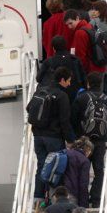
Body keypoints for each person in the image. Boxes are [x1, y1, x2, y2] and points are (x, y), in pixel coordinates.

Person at [72, 73, 107, 207]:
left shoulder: (81, 98)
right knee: (99, 170)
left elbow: (73, 118)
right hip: (100, 141)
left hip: (84, 141)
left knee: (82, 170)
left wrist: (79, 133)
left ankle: (83, 201)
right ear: (101, 84)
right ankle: (96, 199)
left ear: (88, 84)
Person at [31, 67, 75, 202]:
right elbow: (64, 121)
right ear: (62, 80)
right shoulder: (62, 96)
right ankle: (54, 198)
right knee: (56, 167)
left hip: (38, 136)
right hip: (54, 137)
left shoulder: (40, 91)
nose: (69, 84)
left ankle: (37, 198)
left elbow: (29, 108)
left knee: (41, 165)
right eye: (68, 81)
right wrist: (71, 140)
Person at [36, 36, 86, 101]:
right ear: (66, 46)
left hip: (55, 97)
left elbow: (38, 78)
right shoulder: (75, 60)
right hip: (74, 96)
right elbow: (83, 78)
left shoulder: (48, 62)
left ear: (53, 48)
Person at [64, 9, 106, 76]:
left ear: (77, 18)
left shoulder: (80, 33)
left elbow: (80, 57)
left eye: (71, 23)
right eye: (67, 25)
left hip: (90, 71)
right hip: (98, 67)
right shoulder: (89, 26)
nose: (69, 27)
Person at [89, 0, 107, 96]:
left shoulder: (95, 22)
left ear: (99, 11)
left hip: (100, 60)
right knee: (106, 86)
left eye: (95, 9)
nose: (92, 11)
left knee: (99, 88)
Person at [63, 137, 93, 208]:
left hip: (56, 191)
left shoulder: (64, 152)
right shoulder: (84, 161)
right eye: (90, 151)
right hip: (71, 193)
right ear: (87, 149)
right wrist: (84, 205)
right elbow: (83, 184)